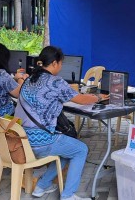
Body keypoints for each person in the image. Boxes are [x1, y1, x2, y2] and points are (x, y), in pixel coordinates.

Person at [14, 46, 108, 200]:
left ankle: (41, 187)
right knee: (81, 149)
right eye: (61, 63)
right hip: (41, 142)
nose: (61, 66)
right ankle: (68, 195)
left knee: (68, 148)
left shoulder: (30, 79)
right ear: (54, 63)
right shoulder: (55, 82)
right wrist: (98, 97)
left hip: (23, 139)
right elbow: (82, 99)